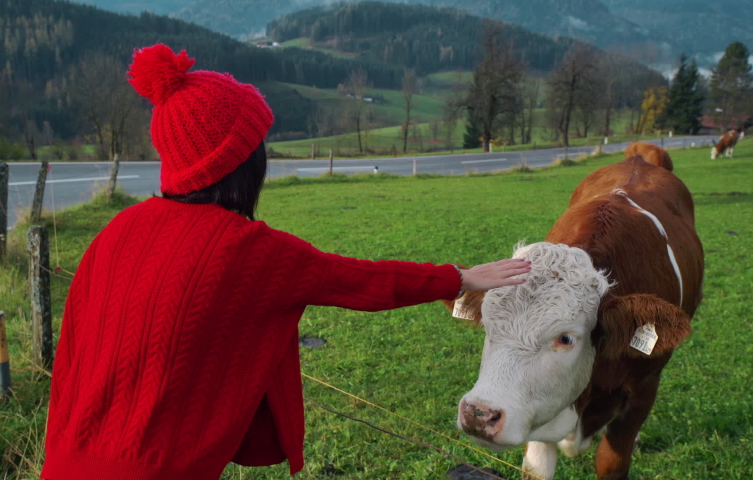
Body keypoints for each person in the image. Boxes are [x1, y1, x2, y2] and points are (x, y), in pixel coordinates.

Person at [40, 44, 531, 480]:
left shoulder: (116, 230)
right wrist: (459, 277)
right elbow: (362, 281)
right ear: (237, 162)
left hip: (63, 462)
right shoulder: (249, 251)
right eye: (257, 145)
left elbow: (75, 354)